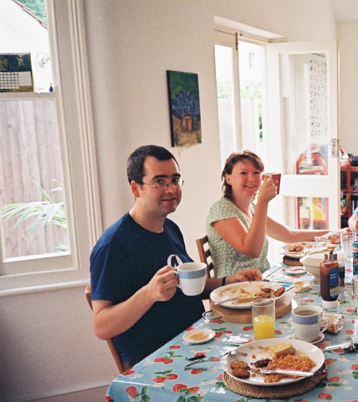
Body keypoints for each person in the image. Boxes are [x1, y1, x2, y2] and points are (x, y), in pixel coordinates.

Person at [90, 145, 262, 369]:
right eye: (159, 182)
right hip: (155, 359)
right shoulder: (114, 244)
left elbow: (187, 286)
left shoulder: (170, 228)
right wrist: (149, 294)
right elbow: (102, 326)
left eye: (175, 180)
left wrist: (226, 281)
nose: (171, 189)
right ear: (135, 188)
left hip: (197, 339)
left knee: (263, 354)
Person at [206, 150, 335, 276]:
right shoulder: (221, 210)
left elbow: (290, 235)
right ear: (228, 179)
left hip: (261, 282)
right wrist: (263, 202)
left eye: (256, 173)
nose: (251, 178)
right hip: (236, 290)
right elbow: (252, 250)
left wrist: (334, 233)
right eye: (243, 173)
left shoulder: (251, 208)